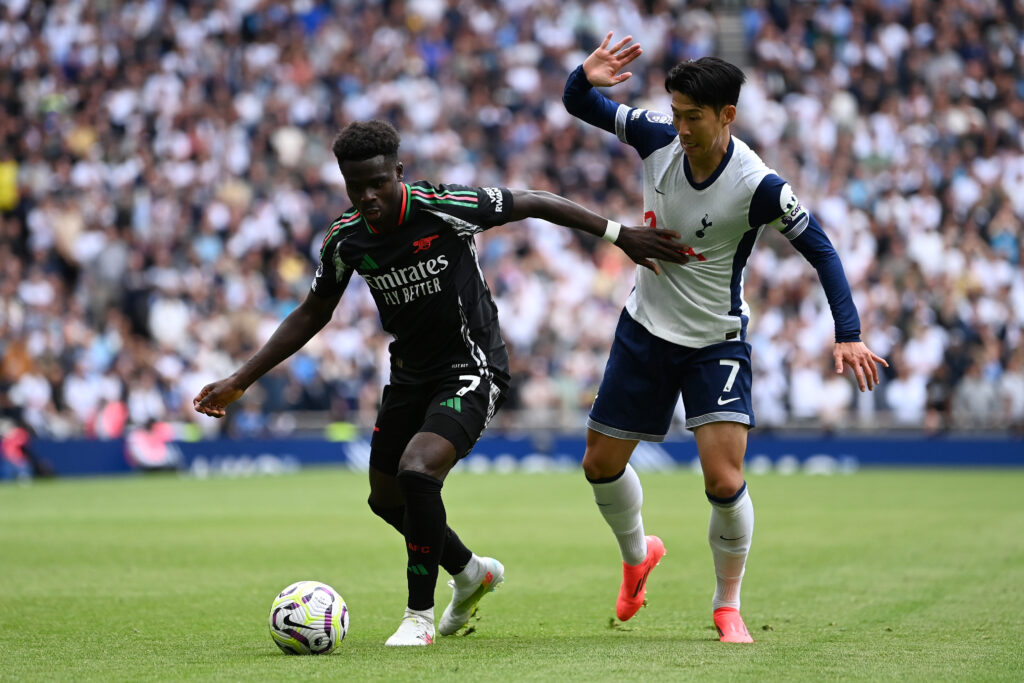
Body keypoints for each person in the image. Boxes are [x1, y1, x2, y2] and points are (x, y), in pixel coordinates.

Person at [193, 119, 686, 646]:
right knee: (385, 499)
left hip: (473, 366)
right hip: (409, 376)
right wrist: (241, 379)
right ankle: (471, 572)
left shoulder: (442, 206)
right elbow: (314, 311)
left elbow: (533, 201)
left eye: (378, 183)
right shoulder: (345, 239)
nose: (368, 196)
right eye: (356, 186)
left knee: (418, 469)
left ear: (398, 172)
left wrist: (619, 235)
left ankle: (419, 617)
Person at [562, 34, 889, 642]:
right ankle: (637, 556)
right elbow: (578, 102)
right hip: (645, 326)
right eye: (676, 114)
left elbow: (822, 250)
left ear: (726, 115)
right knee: (599, 465)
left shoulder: (759, 186)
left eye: (693, 117)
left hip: (715, 340)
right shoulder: (656, 136)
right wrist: (586, 74)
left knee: (723, 479)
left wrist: (849, 332)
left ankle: (726, 605)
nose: (681, 128)